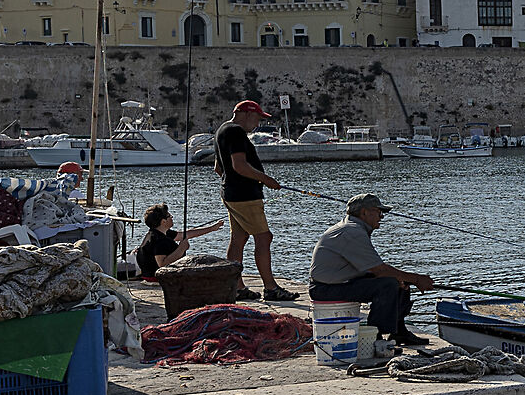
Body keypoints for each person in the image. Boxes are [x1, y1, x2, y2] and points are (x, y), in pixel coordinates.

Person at [308, 193, 434, 348]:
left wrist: (407, 279)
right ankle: (376, 338)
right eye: (378, 211)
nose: (381, 216)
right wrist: (417, 279)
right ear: (364, 212)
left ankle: (399, 331)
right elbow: (380, 270)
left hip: (340, 282)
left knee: (398, 280)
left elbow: (375, 269)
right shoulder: (351, 232)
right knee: (387, 284)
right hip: (324, 289)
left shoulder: (354, 228)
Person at [214, 100, 296, 301]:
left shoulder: (222, 130)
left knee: (238, 239)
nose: (258, 123)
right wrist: (266, 179)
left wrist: (231, 183)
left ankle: (237, 287)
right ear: (246, 113)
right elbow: (239, 165)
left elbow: (218, 168)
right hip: (245, 197)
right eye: (258, 118)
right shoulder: (236, 132)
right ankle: (270, 288)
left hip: (231, 194)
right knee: (264, 237)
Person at [135, 204, 224, 279]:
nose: (172, 217)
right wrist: (181, 249)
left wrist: (212, 228)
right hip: (155, 277)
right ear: (163, 222)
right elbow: (162, 264)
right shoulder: (159, 240)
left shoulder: (161, 233)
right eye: (169, 216)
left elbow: (186, 234)